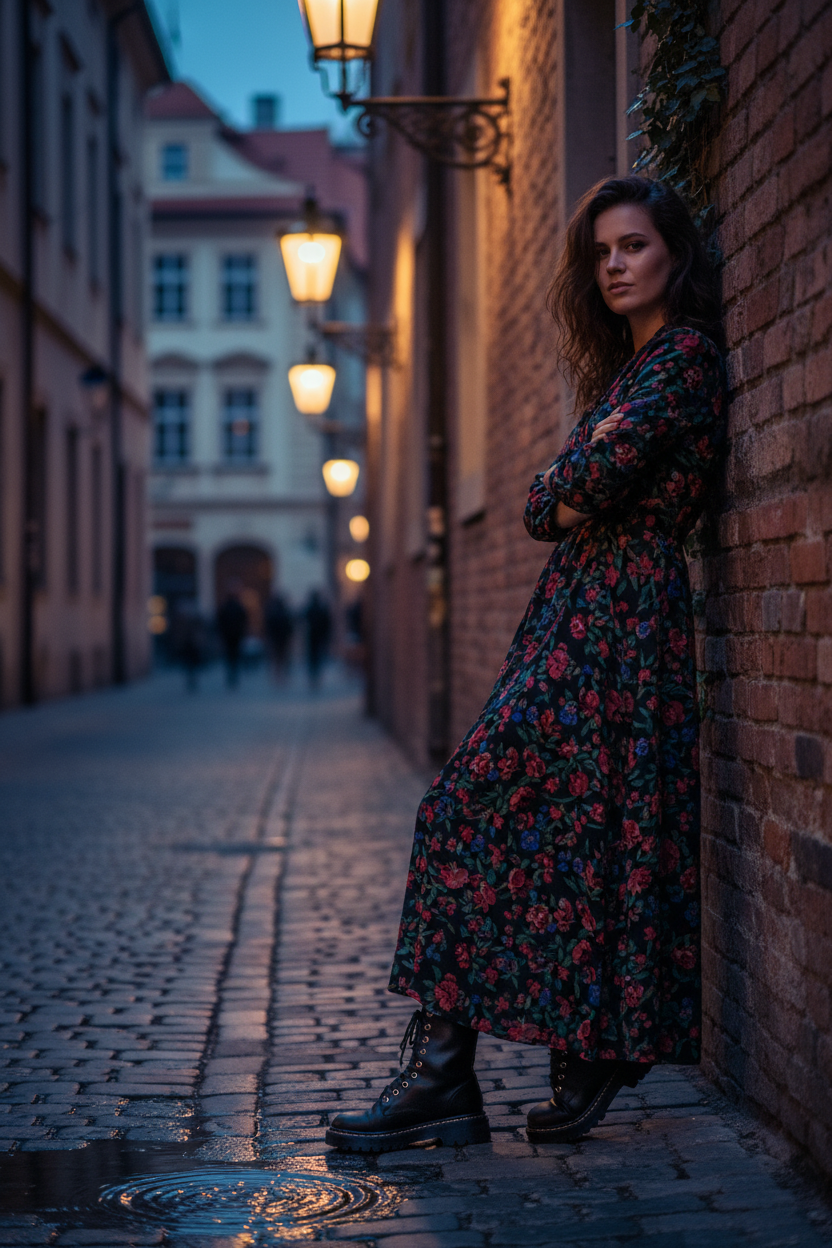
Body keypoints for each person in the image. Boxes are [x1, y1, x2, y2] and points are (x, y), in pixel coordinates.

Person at [326, 176, 727, 1154]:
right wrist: (569, 486)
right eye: (600, 254)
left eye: (631, 246)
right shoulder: (622, 382)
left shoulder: (680, 360)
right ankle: (489, 1067)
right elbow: (547, 504)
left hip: (622, 629)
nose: (614, 266)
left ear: (673, 251)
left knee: (468, 805)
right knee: (556, 828)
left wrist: (573, 483)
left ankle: (451, 1076)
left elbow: (566, 489)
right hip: (579, 624)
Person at [216, 589, 248, 688]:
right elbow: (244, 621)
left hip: (227, 636)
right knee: (235, 656)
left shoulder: (224, 607)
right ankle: (234, 676)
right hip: (236, 636)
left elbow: (219, 622)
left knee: (229, 656)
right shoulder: (238, 607)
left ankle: (230, 676)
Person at [304, 590, 332, 689]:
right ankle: (316, 678)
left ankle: (313, 678)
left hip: (312, 637)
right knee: (317, 658)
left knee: (313, 659)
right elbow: (327, 624)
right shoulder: (321, 609)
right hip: (318, 637)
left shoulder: (310, 609)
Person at [265, 593, 294, 683]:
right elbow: (289, 627)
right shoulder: (286, 614)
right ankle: (283, 677)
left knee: (276, 659)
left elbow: (269, 627)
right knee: (283, 658)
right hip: (284, 639)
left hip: (275, 639)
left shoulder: (272, 613)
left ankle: (276, 677)